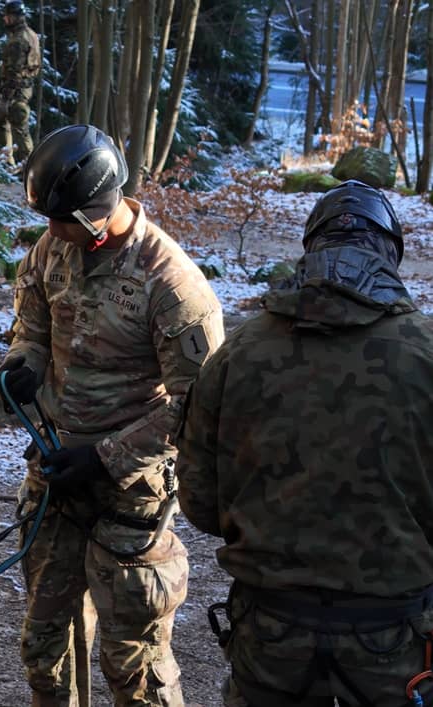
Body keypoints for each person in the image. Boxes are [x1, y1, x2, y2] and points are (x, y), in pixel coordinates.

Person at [176, 181, 433, 707]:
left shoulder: (238, 352)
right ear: (390, 254)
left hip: (270, 631)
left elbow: (199, 502)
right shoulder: (426, 353)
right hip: (395, 634)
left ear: (311, 248)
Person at [0, 124, 224, 706]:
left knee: (135, 662)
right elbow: (32, 329)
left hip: (130, 489)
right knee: (46, 648)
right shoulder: (53, 248)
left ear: (98, 214)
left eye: (63, 220)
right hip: (54, 473)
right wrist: (25, 364)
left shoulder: (171, 283)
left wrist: (105, 458)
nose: (51, 232)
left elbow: (198, 407)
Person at [0, 0, 41, 166]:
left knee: (16, 124)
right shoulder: (30, 34)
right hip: (24, 87)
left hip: (16, 89)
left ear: (14, 17)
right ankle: (9, 161)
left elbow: (14, 69)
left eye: (7, 16)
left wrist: (6, 94)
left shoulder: (18, 39)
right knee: (3, 120)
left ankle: (26, 164)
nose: (4, 19)